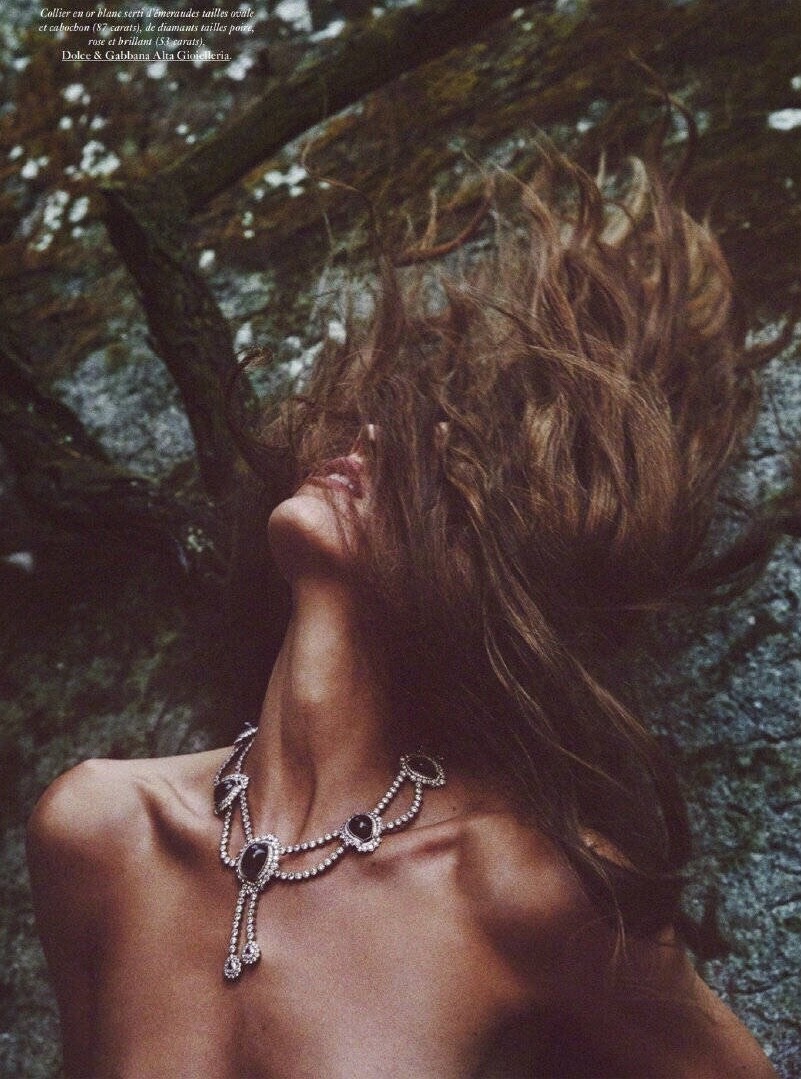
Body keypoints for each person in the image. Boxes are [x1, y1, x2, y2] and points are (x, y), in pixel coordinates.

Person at [27, 137, 780, 1077]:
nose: (369, 437)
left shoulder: (519, 883)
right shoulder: (97, 827)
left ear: (486, 563)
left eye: (436, 461)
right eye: (374, 418)